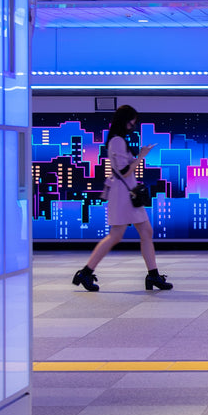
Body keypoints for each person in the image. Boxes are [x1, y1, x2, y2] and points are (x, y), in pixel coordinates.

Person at [72, 104, 172, 292]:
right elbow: (125, 171)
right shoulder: (117, 141)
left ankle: (153, 275)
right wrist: (142, 156)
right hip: (124, 195)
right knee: (117, 235)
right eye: (131, 121)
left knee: (144, 232)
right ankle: (85, 272)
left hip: (126, 194)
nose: (133, 124)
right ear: (124, 120)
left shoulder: (117, 140)